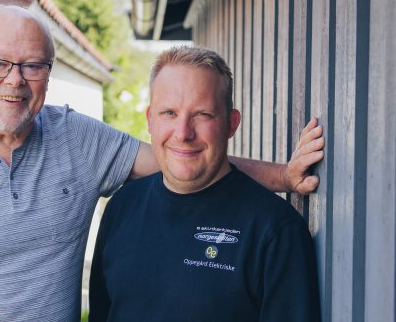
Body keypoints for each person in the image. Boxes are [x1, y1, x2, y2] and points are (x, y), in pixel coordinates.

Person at [0, 5, 323, 322]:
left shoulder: (78, 140)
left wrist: (282, 177)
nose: (15, 80)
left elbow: (183, 156)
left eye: (32, 66)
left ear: (48, 75)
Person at [89, 46, 321, 322]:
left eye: (202, 114)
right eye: (169, 113)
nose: (183, 133)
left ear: (231, 124)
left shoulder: (275, 230)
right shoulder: (121, 208)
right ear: (150, 119)